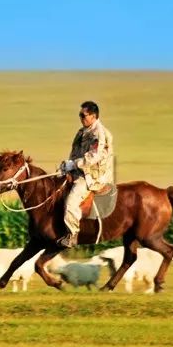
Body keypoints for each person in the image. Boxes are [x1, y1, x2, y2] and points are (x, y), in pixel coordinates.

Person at [58, 101, 114, 248]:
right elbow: (75, 153)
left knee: (71, 203)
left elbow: (94, 156)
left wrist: (74, 164)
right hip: (79, 170)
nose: (81, 118)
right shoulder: (82, 131)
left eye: (83, 115)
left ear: (93, 116)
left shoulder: (99, 134)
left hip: (92, 176)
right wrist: (67, 165)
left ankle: (73, 234)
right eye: (80, 115)